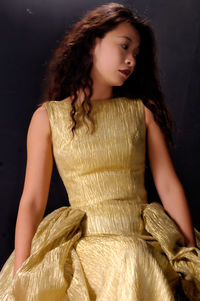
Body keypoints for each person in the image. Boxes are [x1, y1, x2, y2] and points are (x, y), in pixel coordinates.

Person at [0, 2, 200, 300]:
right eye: (124, 46)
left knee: (134, 256)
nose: (131, 60)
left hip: (141, 237)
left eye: (136, 53)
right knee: (128, 257)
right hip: (84, 243)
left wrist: (190, 253)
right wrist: (20, 271)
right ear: (93, 42)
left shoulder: (141, 112)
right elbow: (31, 201)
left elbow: (168, 186)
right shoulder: (48, 118)